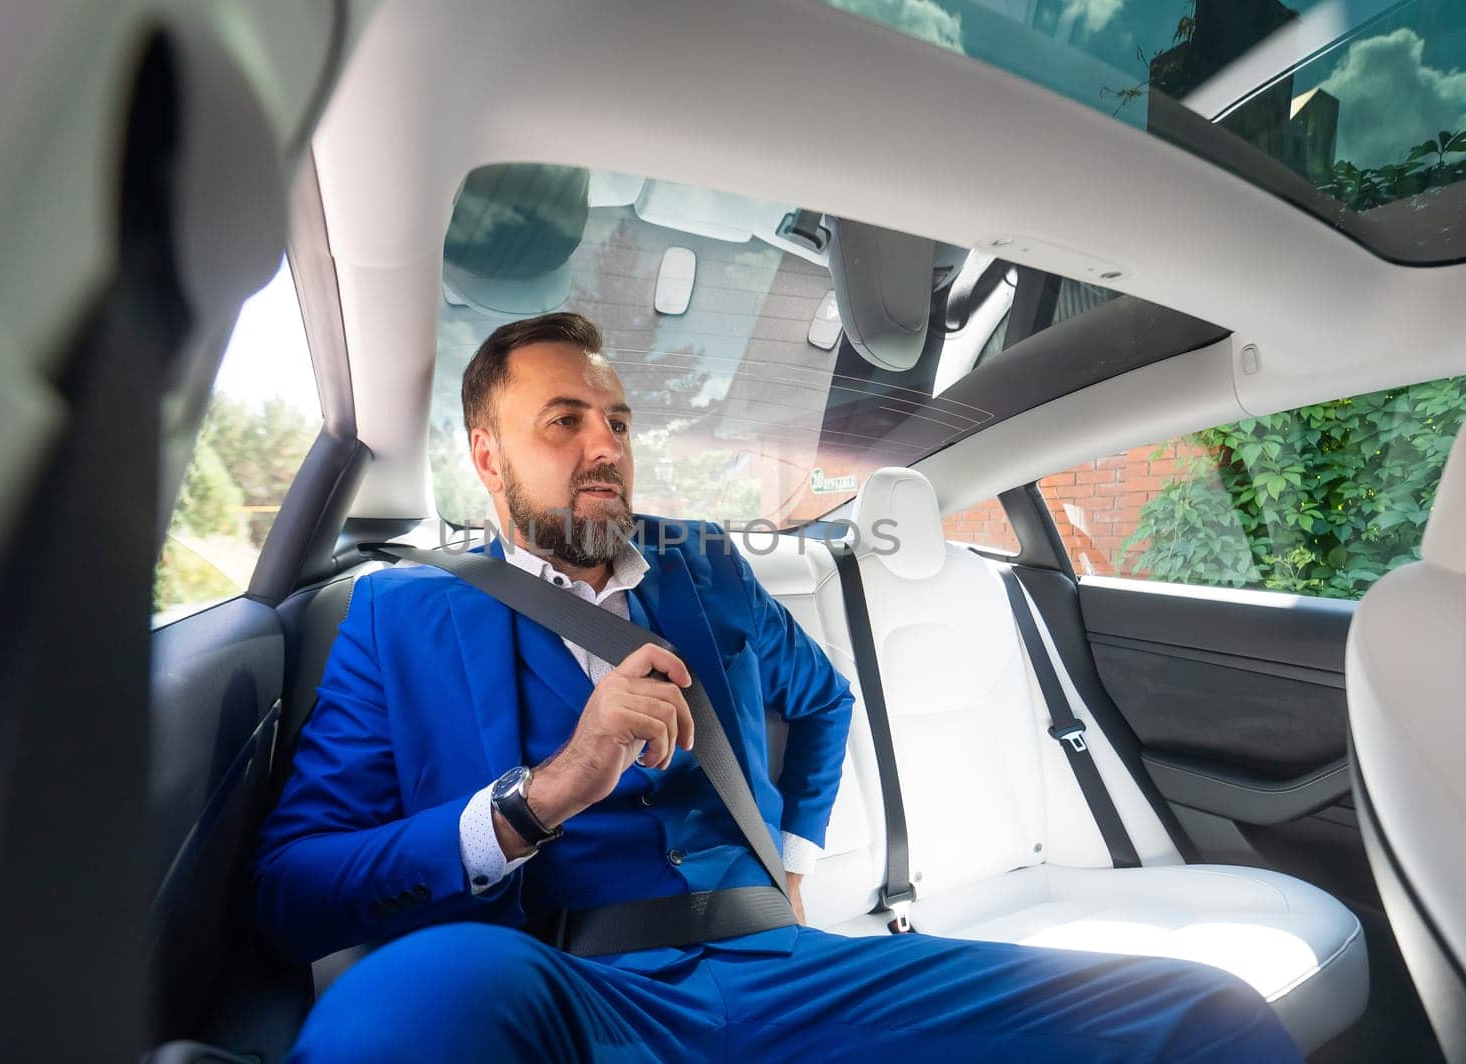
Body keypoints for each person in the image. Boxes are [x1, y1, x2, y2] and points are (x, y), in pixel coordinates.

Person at [253, 312, 1301, 1062]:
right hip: (561, 986)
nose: (605, 444)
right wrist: (545, 794)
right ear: (486, 454)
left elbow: (826, 698)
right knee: (408, 1009)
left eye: (617, 420)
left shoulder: (703, 566)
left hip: (785, 961)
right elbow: (291, 890)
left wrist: (793, 858)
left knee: (1204, 1016)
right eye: (562, 421)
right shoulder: (399, 614)